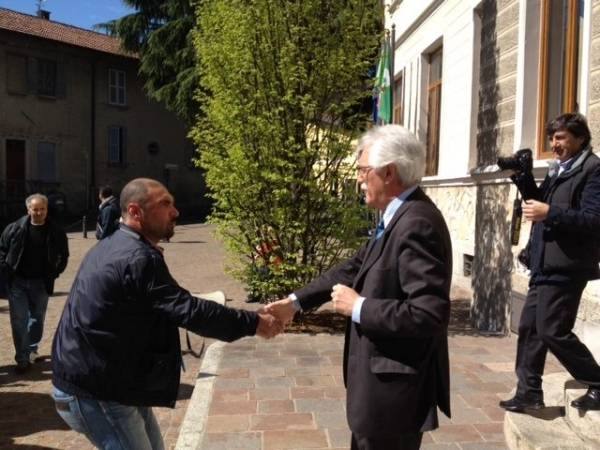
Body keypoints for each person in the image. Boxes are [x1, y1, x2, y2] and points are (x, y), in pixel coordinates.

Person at [51, 178, 282, 450]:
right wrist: (255, 323)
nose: (176, 211)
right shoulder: (136, 257)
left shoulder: (122, 244)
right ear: (136, 212)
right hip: (95, 391)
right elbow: (187, 310)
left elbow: (165, 302)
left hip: (113, 381)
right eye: (165, 204)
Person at [265, 125, 453, 450]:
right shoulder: (397, 216)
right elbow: (353, 267)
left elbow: (428, 314)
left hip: (394, 400)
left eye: (364, 171)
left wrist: (359, 307)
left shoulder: (416, 223)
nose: (358, 179)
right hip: (381, 395)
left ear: (389, 172)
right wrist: (295, 302)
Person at [499, 113, 600, 413]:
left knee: (552, 330)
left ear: (580, 138)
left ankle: (596, 380)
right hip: (545, 261)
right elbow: (539, 203)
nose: (554, 144)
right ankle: (528, 391)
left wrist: (550, 212)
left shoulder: (593, 170)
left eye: (561, 138)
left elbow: (594, 220)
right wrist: (522, 176)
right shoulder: (561, 170)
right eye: (552, 138)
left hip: (568, 265)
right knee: (530, 327)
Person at [0, 193, 69, 374]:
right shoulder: (15, 228)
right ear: (28, 209)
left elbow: (64, 254)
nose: (38, 212)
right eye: (35, 209)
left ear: (46, 209)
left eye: (42, 209)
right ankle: (22, 359)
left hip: (41, 282)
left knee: (37, 319)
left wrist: (56, 271)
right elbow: (2, 249)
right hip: (18, 282)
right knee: (18, 321)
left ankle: (31, 348)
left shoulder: (56, 231)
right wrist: (6, 269)